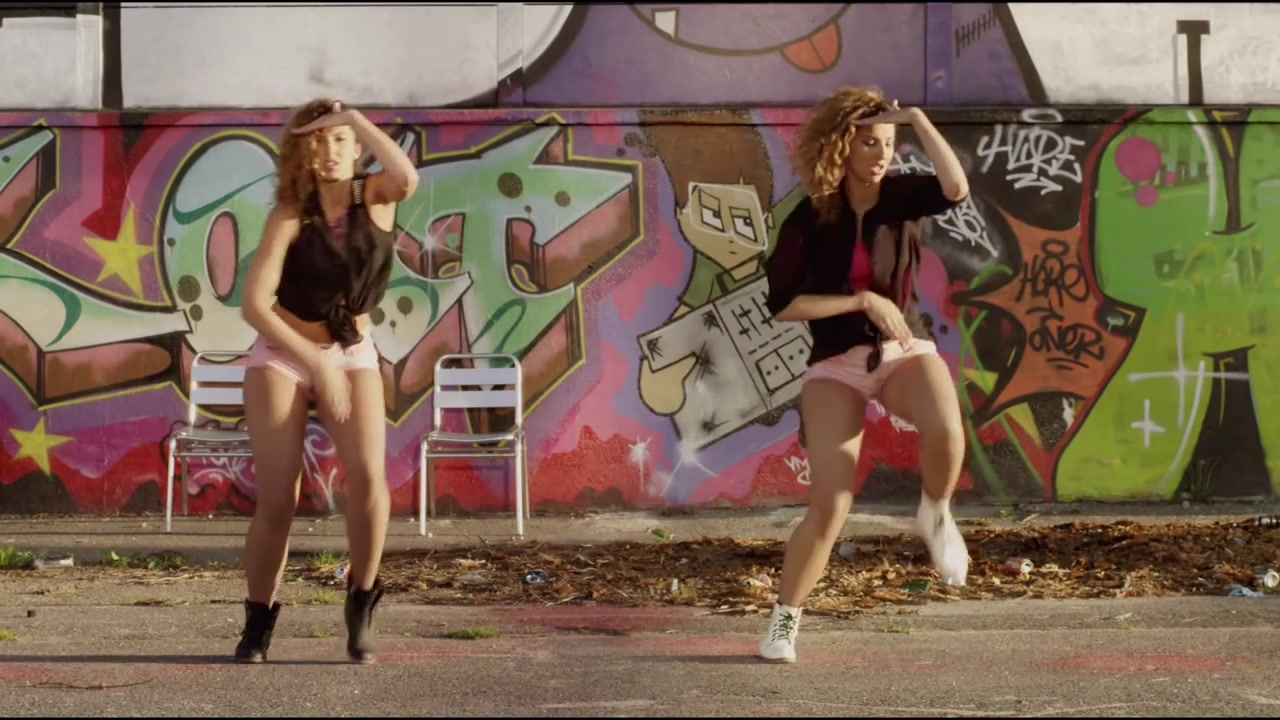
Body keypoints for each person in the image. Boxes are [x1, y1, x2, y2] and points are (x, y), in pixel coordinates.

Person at [758, 86, 971, 664]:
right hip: (836, 365)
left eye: (889, 143)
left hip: (902, 350)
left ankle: (935, 513)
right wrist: (861, 301)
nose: (881, 155)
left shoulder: (902, 197)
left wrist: (918, 118)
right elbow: (784, 304)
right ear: (842, 145)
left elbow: (956, 188)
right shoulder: (810, 216)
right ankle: (784, 622)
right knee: (831, 504)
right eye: (870, 143)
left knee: (946, 429)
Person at [234, 98, 418, 664]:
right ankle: (258, 622)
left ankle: (361, 602)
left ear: (357, 146)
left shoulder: (377, 196)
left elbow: (407, 176)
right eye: (317, 143)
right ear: (302, 154)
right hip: (284, 354)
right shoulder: (292, 212)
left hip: (352, 351)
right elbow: (254, 305)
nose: (330, 152)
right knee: (278, 498)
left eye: (339, 141)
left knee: (369, 481)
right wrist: (315, 365)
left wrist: (351, 117)